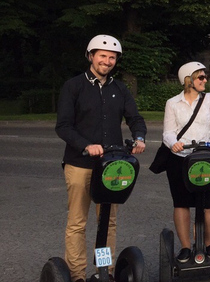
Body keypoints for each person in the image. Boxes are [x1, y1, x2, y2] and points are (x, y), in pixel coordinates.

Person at [55, 35, 147, 282]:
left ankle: (102, 271)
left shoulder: (119, 88)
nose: (107, 61)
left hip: (112, 166)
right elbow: (63, 126)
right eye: (102, 56)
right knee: (77, 222)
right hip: (80, 163)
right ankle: (77, 276)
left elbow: (135, 118)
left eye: (112, 57)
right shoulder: (74, 86)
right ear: (90, 56)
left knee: (108, 222)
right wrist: (86, 145)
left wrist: (139, 137)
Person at [162, 62, 210, 263]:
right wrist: (173, 143)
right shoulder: (172, 103)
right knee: (181, 204)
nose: (205, 80)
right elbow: (168, 131)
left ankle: (208, 244)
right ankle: (185, 247)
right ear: (188, 80)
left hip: (204, 158)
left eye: (204, 76)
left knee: (208, 204)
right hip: (180, 158)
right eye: (200, 77)